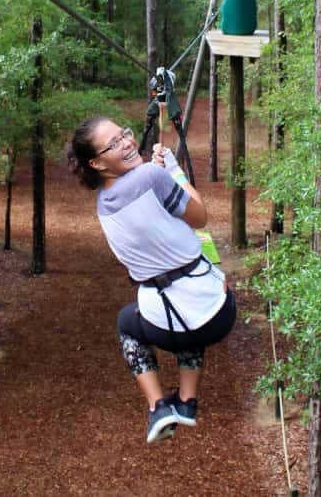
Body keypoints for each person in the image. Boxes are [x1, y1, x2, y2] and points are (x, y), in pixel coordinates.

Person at [66, 116, 236, 443]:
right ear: (96, 162)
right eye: (113, 144)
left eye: (124, 135)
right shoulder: (153, 176)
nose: (127, 143)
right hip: (217, 314)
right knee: (192, 318)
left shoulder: (103, 204)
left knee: (127, 323)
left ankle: (158, 406)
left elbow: (147, 203)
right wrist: (173, 172)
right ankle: (186, 401)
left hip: (162, 324)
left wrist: (157, 176)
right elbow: (199, 216)